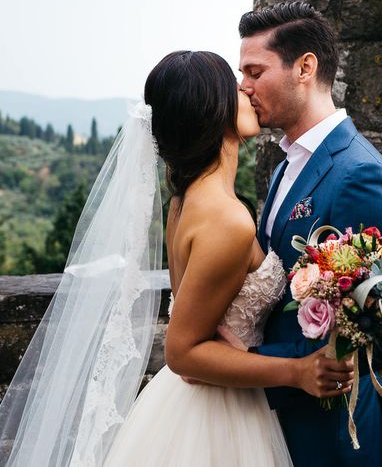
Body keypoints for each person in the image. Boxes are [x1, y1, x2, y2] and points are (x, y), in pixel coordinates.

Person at [0, 50, 354, 466]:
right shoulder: (226, 220)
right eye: (234, 86)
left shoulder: (184, 200)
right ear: (214, 111)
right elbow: (182, 352)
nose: (246, 90)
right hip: (218, 415)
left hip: (191, 401)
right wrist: (296, 372)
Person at [238, 2, 382, 467]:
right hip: (272, 421)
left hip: (330, 434)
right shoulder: (285, 168)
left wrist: (250, 360)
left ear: (305, 67)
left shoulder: (361, 175)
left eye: (255, 71)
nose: (244, 86)